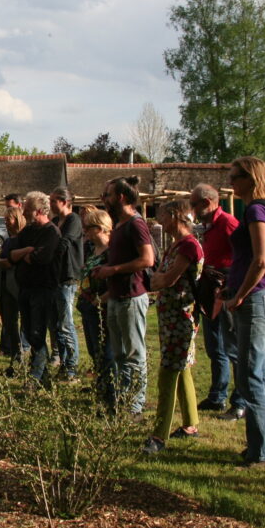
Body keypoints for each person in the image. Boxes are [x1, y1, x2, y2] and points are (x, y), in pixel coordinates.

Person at [224, 157, 265, 467]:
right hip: (249, 298)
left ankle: (261, 452)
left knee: (249, 375)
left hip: (253, 300)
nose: (231, 182)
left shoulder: (257, 210)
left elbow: (261, 261)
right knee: (258, 372)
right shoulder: (253, 210)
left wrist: (240, 295)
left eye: (235, 176)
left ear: (252, 178)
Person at [143, 199, 204, 454]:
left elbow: (165, 278)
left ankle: (159, 435)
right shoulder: (177, 245)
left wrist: (159, 280)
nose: (158, 220)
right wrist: (159, 280)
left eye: (162, 215)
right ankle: (191, 424)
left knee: (168, 372)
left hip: (182, 318)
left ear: (175, 215)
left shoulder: (189, 245)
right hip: (172, 317)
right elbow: (159, 278)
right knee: (182, 369)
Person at [91, 176, 155, 416]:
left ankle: (135, 406)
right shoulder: (119, 225)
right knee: (118, 354)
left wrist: (113, 270)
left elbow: (148, 259)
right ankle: (122, 400)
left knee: (133, 354)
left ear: (120, 197)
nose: (104, 199)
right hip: (117, 296)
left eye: (107, 195)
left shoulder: (136, 224)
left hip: (131, 296)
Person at [190, 183, 242, 415]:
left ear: (207, 202)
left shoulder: (228, 223)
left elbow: (243, 257)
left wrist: (233, 289)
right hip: (210, 288)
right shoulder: (208, 226)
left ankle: (240, 401)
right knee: (214, 346)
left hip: (226, 287)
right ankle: (217, 395)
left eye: (194, 204)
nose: (192, 209)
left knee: (232, 346)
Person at [10, 191, 62, 387]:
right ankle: (45, 378)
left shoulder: (51, 232)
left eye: (28, 209)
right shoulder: (28, 232)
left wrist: (24, 255)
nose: (23, 213)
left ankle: (36, 375)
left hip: (43, 288)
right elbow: (12, 254)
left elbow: (41, 258)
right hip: (25, 287)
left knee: (38, 332)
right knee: (30, 331)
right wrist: (26, 252)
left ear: (39, 210)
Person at [78, 206, 114, 405]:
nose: (86, 232)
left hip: (103, 308)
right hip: (88, 307)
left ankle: (109, 395)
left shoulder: (111, 252)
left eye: (89, 228)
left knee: (106, 352)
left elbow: (116, 282)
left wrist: (101, 299)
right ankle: (100, 390)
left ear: (100, 228)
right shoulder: (93, 249)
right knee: (94, 351)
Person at [49, 187, 84, 380]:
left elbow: (63, 243)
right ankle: (63, 365)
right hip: (54, 278)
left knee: (65, 324)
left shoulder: (74, 220)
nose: (51, 205)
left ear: (63, 201)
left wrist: (48, 254)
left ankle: (71, 368)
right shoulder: (55, 221)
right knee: (56, 325)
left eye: (54, 201)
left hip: (67, 277)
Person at [0, 206, 28, 376]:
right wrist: (0, 260)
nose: (6, 222)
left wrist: (1, 260)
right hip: (4, 286)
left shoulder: (22, 239)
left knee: (21, 326)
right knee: (9, 325)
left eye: (9, 219)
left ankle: (22, 361)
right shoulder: (7, 240)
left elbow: (8, 262)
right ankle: (15, 360)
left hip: (17, 286)